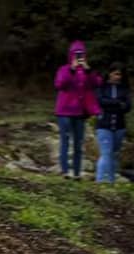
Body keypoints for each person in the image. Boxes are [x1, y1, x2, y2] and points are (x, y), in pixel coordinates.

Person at [54, 40, 102, 179]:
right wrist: (72, 70)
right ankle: (64, 171)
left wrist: (88, 71)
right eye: (76, 55)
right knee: (65, 140)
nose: (78, 57)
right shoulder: (64, 69)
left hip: (80, 112)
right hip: (64, 111)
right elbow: (60, 84)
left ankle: (76, 172)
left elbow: (97, 83)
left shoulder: (86, 71)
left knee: (78, 143)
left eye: (81, 55)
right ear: (71, 55)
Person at [94, 62, 132, 184]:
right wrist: (117, 103)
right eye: (116, 74)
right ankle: (100, 180)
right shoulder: (102, 87)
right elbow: (100, 102)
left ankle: (111, 182)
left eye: (120, 74)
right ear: (110, 74)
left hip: (119, 126)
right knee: (106, 152)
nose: (118, 77)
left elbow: (127, 107)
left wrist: (112, 104)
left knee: (114, 154)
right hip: (104, 125)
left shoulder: (125, 89)